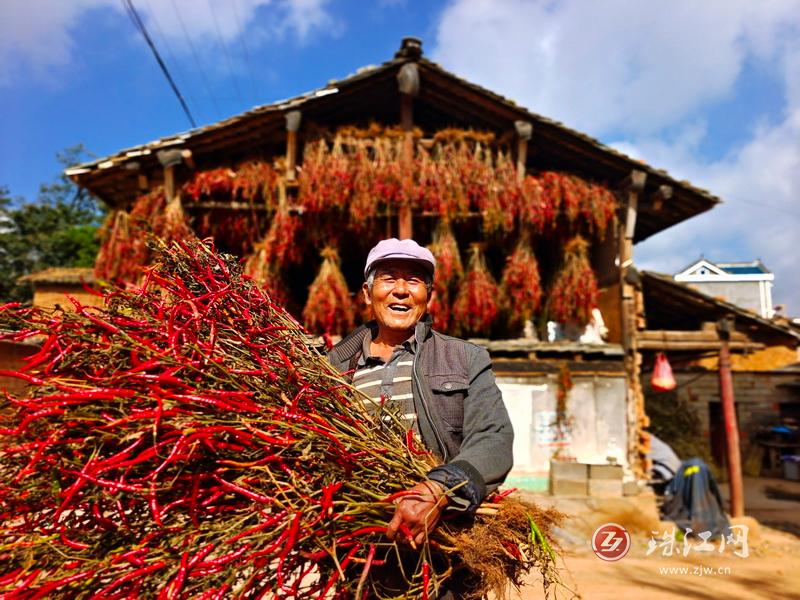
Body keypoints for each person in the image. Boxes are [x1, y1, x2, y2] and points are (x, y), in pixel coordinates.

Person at [328, 238, 514, 547]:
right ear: (366, 293)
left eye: (413, 281)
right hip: (360, 545)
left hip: (446, 543)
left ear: (429, 296)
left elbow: (493, 438)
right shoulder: (334, 369)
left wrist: (439, 489)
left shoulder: (465, 358)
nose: (401, 290)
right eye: (388, 279)